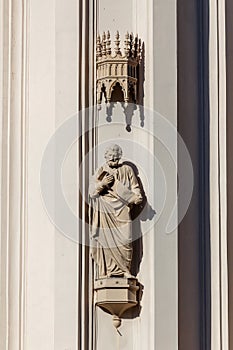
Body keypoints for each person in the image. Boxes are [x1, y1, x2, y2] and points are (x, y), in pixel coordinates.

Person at [89, 144, 143, 278]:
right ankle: (108, 271)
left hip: (123, 210)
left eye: (115, 158)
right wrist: (103, 183)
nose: (113, 160)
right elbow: (92, 193)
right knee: (106, 241)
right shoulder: (101, 171)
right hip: (105, 211)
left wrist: (137, 196)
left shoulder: (127, 170)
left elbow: (135, 187)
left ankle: (125, 270)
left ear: (119, 157)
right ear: (106, 157)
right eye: (110, 158)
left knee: (126, 239)